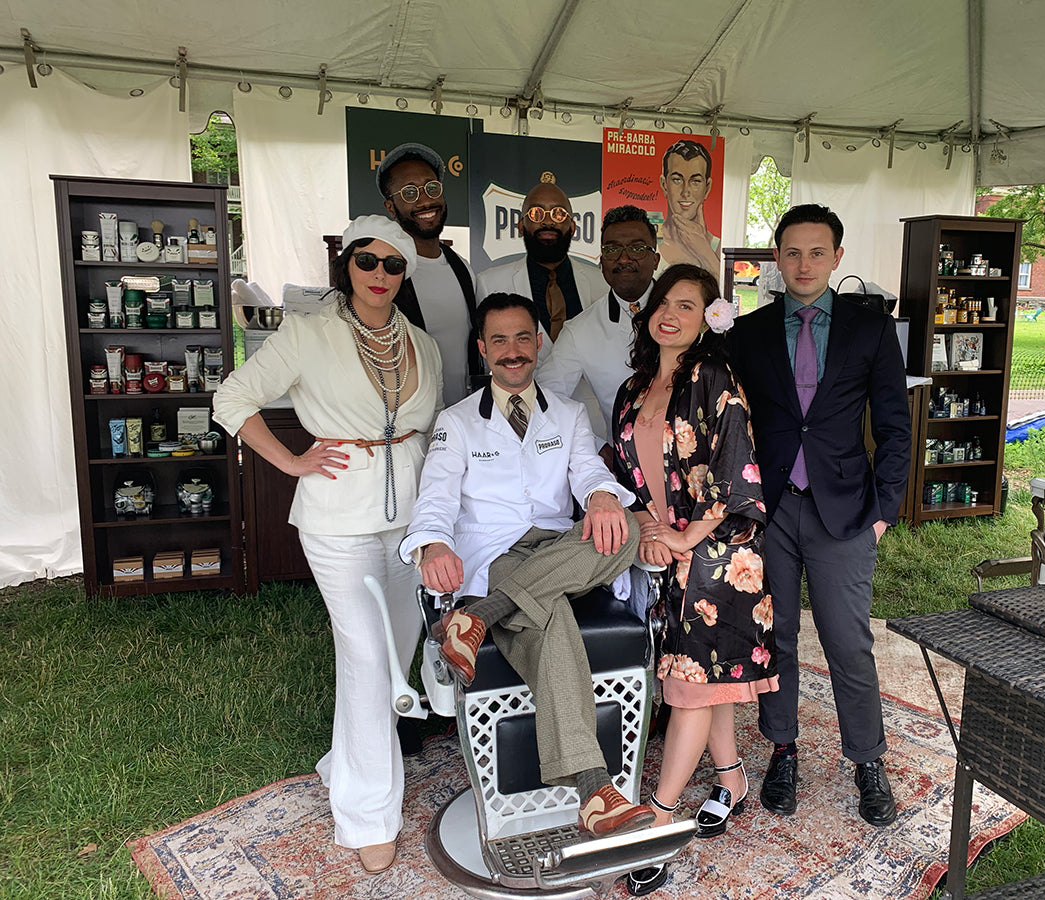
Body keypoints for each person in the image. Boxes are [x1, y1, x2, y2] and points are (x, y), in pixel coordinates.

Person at [213, 216, 443, 874]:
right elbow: (232, 397)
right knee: (368, 659)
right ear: (347, 265)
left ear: (405, 274)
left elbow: (433, 433)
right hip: (337, 520)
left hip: (409, 523)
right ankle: (368, 813)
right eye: (366, 260)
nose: (378, 273)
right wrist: (288, 461)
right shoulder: (308, 334)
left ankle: (343, 761)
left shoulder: (422, 345)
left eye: (392, 264)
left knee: (394, 655)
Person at [397, 293, 656, 839]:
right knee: (549, 611)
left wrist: (604, 496)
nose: (512, 352)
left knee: (630, 525)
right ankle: (595, 791)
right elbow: (437, 497)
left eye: (522, 338)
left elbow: (587, 470)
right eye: (499, 341)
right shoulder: (457, 422)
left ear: (538, 343)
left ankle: (480, 618)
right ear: (482, 349)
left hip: (556, 549)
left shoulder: (567, 414)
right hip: (496, 556)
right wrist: (432, 545)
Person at [725, 204, 910, 828]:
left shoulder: (871, 328)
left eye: (816, 252)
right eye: (792, 252)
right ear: (776, 258)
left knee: (847, 641)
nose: (804, 264)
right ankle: (783, 750)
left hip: (848, 509)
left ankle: (867, 759)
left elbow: (894, 426)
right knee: (774, 638)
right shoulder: (747, 334)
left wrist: (884, 510)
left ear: (836, 257)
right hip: (772, 510)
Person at [612, 264, 778, 896]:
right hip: (664, 551)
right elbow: (625, 475)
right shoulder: (633, 388)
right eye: (664, 302)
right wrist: (646, 526)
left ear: (711, 317)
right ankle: (731, 778)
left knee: (685, 687)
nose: (671, 314)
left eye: (689, 304)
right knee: (702, 683)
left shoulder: (714, 378)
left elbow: (741, 483)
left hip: (718, 555)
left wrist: (684, 537)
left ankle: (657, 819)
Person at [539, 204, 660, 445]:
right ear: (602, 261)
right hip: (621, 468)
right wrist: (595, 446)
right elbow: (543, 402)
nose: (624, 258)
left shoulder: (689, 315)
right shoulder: (579, 331)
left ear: (655, 259)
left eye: (636, 248)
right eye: (612, 249)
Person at [378, 141, 481, 405]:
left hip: (461, 424)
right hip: (406, 426)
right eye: (410, 192)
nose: (425, 200)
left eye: (431, 187)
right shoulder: (384, 274)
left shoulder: (462, 268)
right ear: (391, 207)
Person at [476, 180, 607, 356]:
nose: (547, 221)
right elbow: (487, 355)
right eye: (536, 213)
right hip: (522, 384)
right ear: (521, 226)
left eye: (558, 214)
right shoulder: (489, 283)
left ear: (573, 228)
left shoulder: (601, 283)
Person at [657, 139, 721, 278]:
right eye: (677, 180)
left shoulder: (718, 247)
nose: (686, 192)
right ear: (664, 184)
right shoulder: (651, 244)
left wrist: (704, 250)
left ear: (707, 187)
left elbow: (724, 294)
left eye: (696, 181)